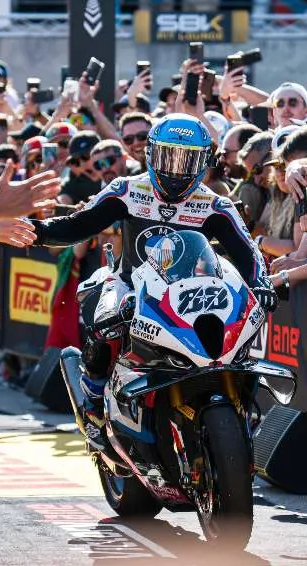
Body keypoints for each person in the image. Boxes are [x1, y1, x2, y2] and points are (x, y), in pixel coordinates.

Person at [17, 114, 275, 447]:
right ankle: (94, 404)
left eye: (187, 160)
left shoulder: (216, 205)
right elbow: (77, 226)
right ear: (151, 155)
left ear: (203, 162)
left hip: (191, 295)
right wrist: (34, 231)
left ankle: (240, 409)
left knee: (236, 343)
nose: (176, 169)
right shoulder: (126, 190)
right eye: (169, 157)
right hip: (131, 286)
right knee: (104, 320)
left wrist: (261, 285)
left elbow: (248, 254)